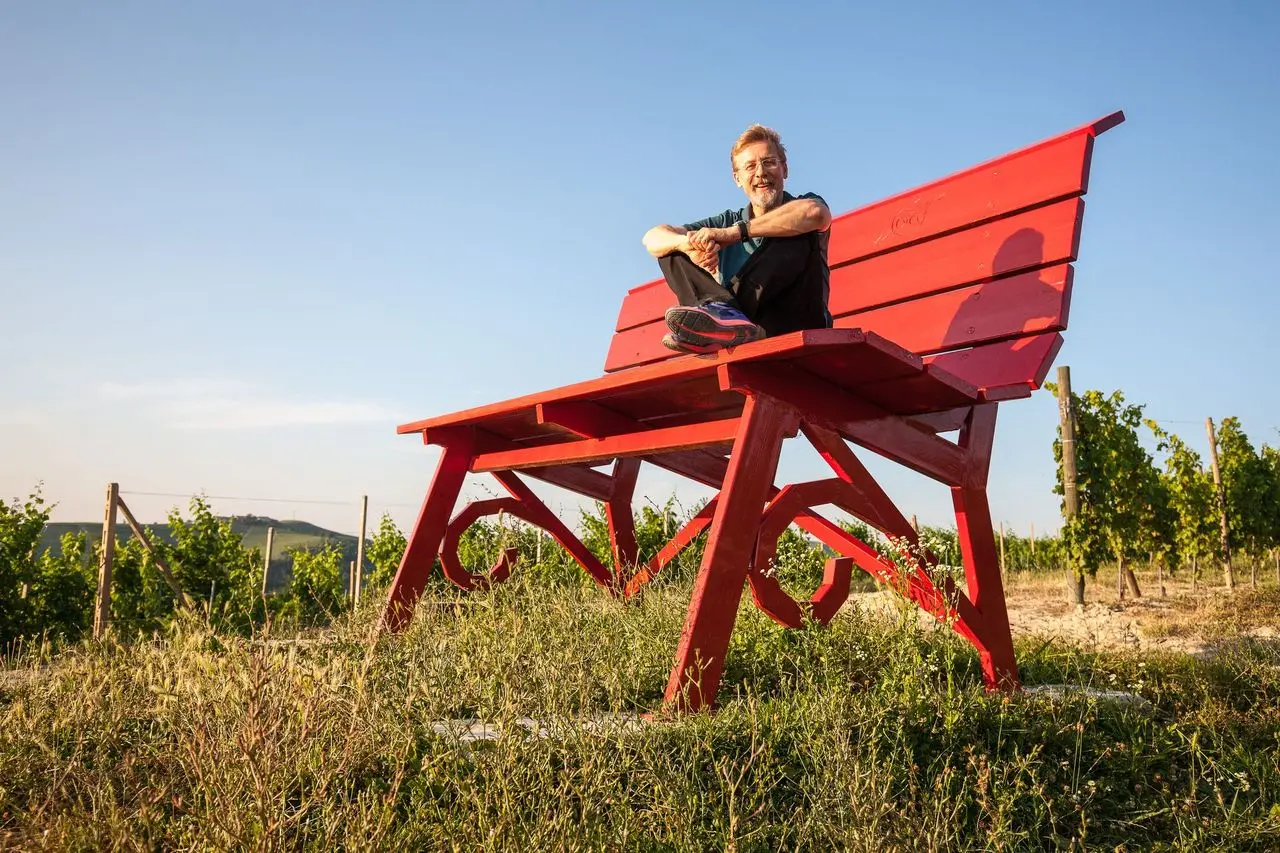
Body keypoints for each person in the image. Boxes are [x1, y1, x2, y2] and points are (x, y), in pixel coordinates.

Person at [642, 124, 833, 354]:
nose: (761, 173)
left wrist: (734, 233)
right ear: (738, 179)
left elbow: (816, 214)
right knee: (671, 248)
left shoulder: (805, 205)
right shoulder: (726, 219)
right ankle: (723, 317)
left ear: (785, 169)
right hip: (746, 336)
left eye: (769, 162)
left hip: (797, 326)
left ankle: (723, 320)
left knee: (796, 230)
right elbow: (652, 238)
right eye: (750, 167)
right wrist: (687, 244)